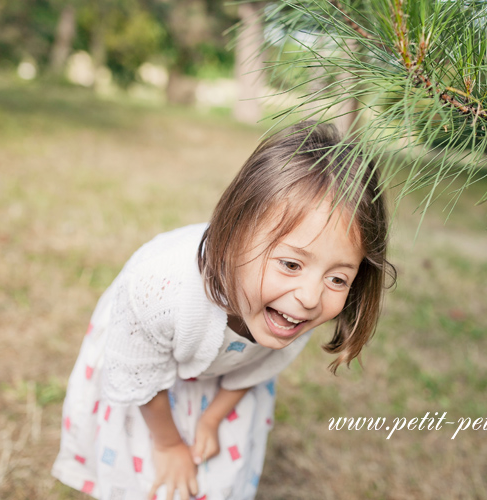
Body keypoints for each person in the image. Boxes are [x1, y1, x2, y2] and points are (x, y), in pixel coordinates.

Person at [51, 122, 395, 500]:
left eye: (338, 279)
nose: (312, 297)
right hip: (147, 360)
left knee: (216, 474)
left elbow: (261, 365)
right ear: (233, 235)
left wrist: (212, 419)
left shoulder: (296, 305)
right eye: (291, 264)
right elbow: (140, 375)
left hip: (226, 366)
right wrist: (168, 445)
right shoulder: (160, 291)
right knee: (147, 471)